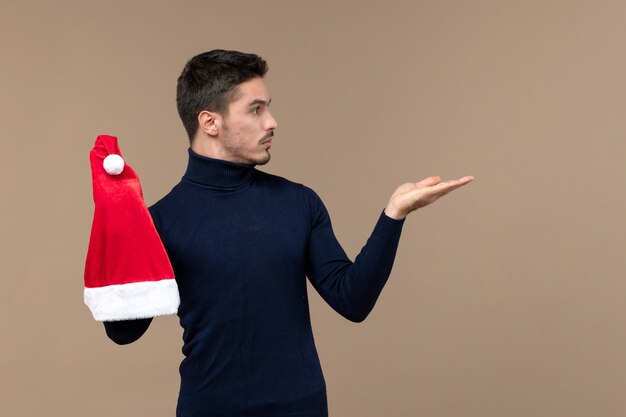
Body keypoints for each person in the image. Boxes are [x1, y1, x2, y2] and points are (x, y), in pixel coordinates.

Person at [103, 49, 473, 417]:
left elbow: (353, 300)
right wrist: (117, 229)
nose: (272, 122)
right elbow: (124, 334)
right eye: (256, 109)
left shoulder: (299, 203)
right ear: (210, 122)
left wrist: (394, 214)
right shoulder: (159, 222)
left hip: (303, 408)